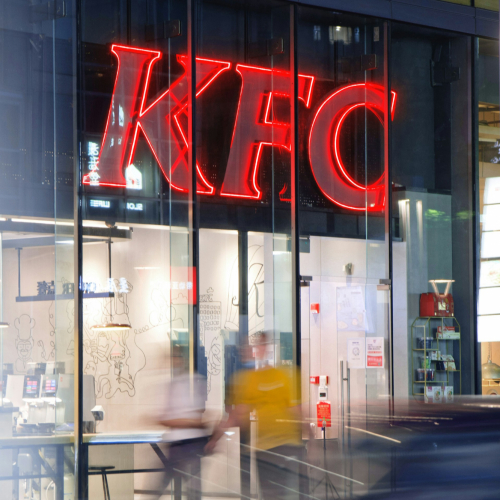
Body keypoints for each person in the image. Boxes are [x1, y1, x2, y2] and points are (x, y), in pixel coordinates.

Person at [206, 332, 308, 499]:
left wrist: (214, 439)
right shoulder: (279, 375)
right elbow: (296, 410)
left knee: (273, 494)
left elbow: (235, 416)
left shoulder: (248, 379)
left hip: (269, 448)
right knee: (282, 493)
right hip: (281, 446)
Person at [155, 345, 209, 500]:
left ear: (184, 359)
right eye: (171, 357)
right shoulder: (173, 384)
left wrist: (171, 421)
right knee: (164, 485)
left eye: (176, 357)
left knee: (189, 488)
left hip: (189, 444)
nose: (173, 361)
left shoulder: (193, 382)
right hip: (177, 444)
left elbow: (198, 420)